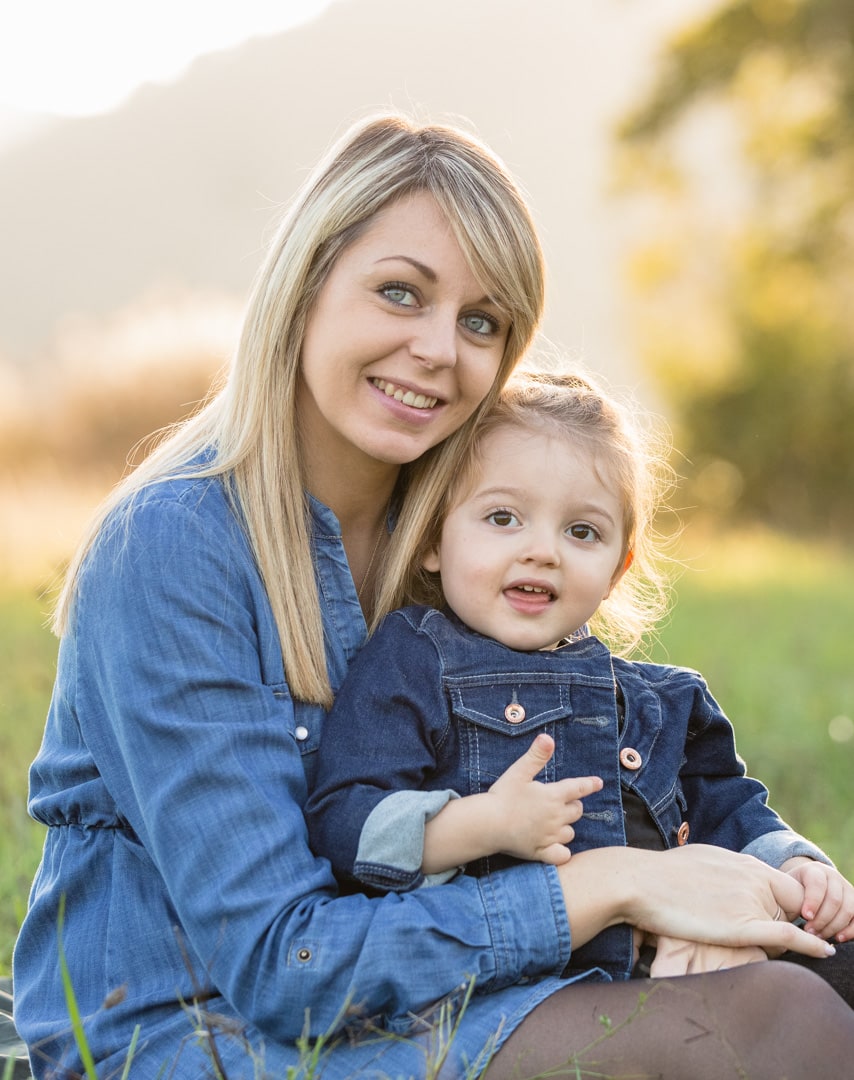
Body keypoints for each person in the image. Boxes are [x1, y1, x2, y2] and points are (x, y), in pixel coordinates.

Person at [11, 111, 854, 1080]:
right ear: (307, 283)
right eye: (399, 293)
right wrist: (618, 885)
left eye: (480, 322)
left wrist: (755, 883)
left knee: (822, 963)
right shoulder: (173, 549)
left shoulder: (462, 528)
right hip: (200, 1033)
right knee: (773, 1025)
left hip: (434, 990)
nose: (436, 349)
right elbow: (284, 967)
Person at [305, 368, 854, 987]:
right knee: (788, 1008)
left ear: (617, 567)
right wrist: (480, 824)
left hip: (685, 948)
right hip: (538, 976)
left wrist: (795, 864)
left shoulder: (662, 699)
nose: (544, 550)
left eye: (582, 531)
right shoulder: (415, 658)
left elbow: (730, 810)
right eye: (503, 518)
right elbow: (345, 826)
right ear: (433, 537)